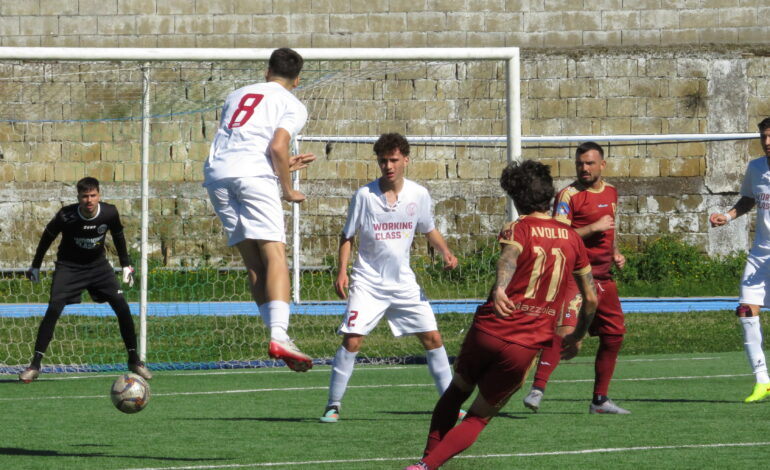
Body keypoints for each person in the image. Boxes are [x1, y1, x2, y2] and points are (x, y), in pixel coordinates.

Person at [404, 160, 597, 470]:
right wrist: (577, 334)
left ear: (516, 198)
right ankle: (427, 467)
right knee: (479, 416)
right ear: (549, 194)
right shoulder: (573, 238)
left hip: (490, 328)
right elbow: (590, 298)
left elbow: (509, 256)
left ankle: (425, 461)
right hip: (524, 345)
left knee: (455, 393)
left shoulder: (518, 227)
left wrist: (500, 290)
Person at [319, 133, 459, 423]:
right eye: (383, 161)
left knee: (433, 338)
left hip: (403, 283)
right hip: (368, 283)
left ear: (406, 160)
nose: (388, 166)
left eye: (394, 160)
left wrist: (445, 251)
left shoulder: (418, 194)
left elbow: (428, 228)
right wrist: (342, 270)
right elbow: (347, 236)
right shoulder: (364, 196)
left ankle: (451, 405)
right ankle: (333, 405)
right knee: (353, 340)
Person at [203, 48, 316, 372]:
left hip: (217, 177)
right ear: (296, 79)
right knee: (275, 255)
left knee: (254, 263)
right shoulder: (292, 103)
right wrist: (288, 188)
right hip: (254, 177)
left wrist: (278, 169)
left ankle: (276, 334)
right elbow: (277, 146)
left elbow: (242, 144)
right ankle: (280, 334)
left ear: (268, 71)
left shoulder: (236, 94)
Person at [522, 141, 630, 414]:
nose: (584, 168)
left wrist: (615, 252)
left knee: (614, 336)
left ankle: (600, 400)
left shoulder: (612, 192)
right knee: (565, 331)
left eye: (590, 163)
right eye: (580, 163)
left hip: (604, 277)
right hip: (576, 275)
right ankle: (537, 389)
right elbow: (560, 236)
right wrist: (593, 227)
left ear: (602, 165)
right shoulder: (568, 196)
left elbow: (609, 233)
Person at [20, 177, 151, 383]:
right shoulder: (65, 216)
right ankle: (34, 365)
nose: (89, 200)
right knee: (54, 307)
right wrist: (35, 265)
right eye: (84, 196)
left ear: (99, 195)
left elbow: (118, 235)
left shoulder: (109, 212)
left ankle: (134, 360)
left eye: (93, 195)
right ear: (78, 197)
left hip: (98, 267)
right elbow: (47, 238)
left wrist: (126, 264)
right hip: (69, 267)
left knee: (122, 306)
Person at [710, 117, 770, 403]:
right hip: (761, 253)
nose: (767, 142)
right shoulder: (756, 168)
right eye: (764, 137)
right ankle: (762, 381)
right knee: (746, 310)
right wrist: (728, 216)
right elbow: (749, 199)